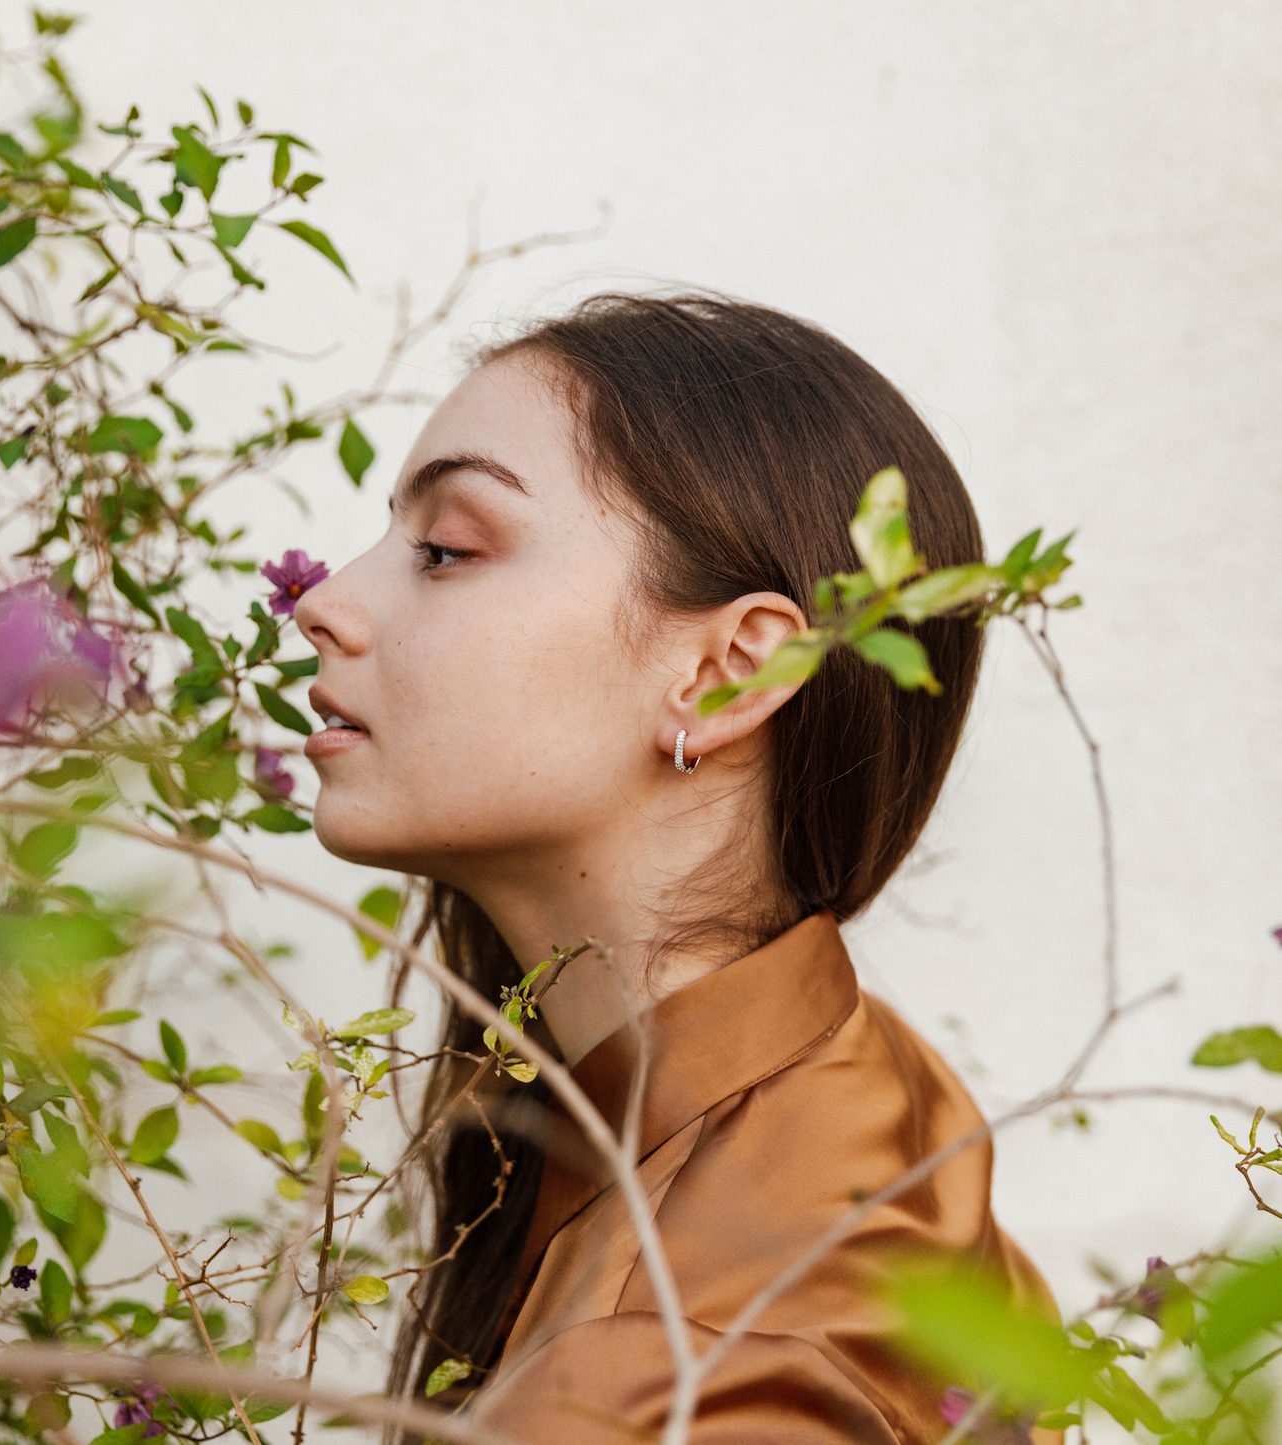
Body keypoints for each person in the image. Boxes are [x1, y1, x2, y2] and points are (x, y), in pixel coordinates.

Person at [294, 294, 1055, 1443]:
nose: (323, 602)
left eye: (445, 549)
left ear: (728, 672)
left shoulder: (670, 1367)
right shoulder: (863, 1076)